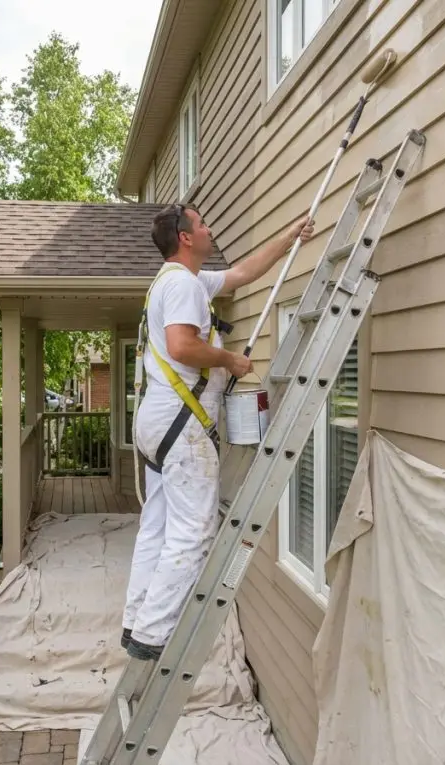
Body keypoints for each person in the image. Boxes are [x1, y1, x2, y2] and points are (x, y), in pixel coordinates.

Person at [122, 203, 315, 661]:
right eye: (203, 224)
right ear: (186, 238)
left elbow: (242, 273)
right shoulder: (185, 286)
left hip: (159, 423)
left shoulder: (173, 281)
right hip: (182, 427)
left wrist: (290, 234)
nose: (209, 229)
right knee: (192, 532)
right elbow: (182, 346)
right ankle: (154, 635)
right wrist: (231, 361)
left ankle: (136, 620)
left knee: (158, 526)